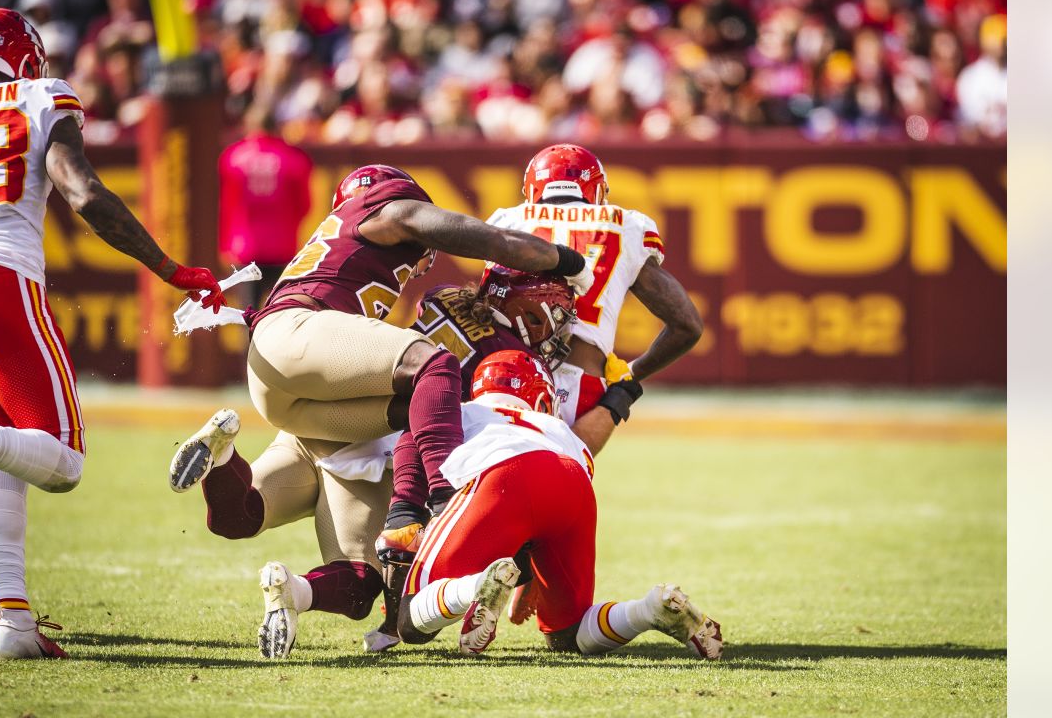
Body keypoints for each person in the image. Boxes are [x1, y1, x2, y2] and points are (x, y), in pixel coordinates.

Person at [167, 166, 592, 658]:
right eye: (554, 308)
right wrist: (561, 258)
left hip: (331, 416)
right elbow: (451, 238)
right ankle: (442, 496)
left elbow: (417, 414)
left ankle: (231, 473)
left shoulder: (438, 299)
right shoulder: (384, 209)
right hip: (310, 352)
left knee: (315, 560)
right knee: (434, 367)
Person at [0, 8, 225, 660]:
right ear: (25, 59)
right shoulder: (41, 94)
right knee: (61, 462)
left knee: (5, 460)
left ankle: (13, 622)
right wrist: (170, 269)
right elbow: (82, 193)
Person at [394, 350, 723, 658]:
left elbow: (415, 442)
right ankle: (646, 611)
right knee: (567, 633)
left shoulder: (462, 413)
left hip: (504, 477)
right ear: (541, 399)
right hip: (573, 481)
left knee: (410, 620)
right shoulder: (556, 426)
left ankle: (476, 586)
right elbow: (573, 475)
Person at [487, 143, 704, 457]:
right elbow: (688, 325)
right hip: (582, 387)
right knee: (561, 485)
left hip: (506, 375)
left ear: (532, 191)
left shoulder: (508, 220)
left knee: (491, 481)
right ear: (598, 191)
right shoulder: (624, 225)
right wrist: (630, 375)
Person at [217, 101, 313, 307]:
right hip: (282, 247)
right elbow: (305, 205)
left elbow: (226, 206)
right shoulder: (293, 159)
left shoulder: (234, 157)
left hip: (245, 248)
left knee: (248, 313)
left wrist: (225, 244)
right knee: (280, 312)